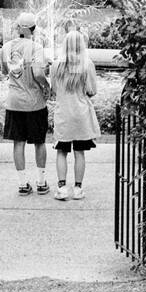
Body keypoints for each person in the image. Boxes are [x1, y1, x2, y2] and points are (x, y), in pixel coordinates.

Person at [0, 11, 50, 195]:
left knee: (18, 143)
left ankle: (22, 184)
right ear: (33, 29)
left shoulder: (6, 47)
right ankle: (42, 182)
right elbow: (38, 73)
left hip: (14, 103)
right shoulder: (36, 47)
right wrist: (46, 85)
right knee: (39, 142)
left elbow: (5, 71)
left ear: (17, 28)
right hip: (34, 103)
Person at [49, 29, 100, 201]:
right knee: (80, 153)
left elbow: (54, 90)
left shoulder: (56, 65)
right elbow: (92, 90)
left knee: (61, 152)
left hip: (63, 114)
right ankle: (78, 189)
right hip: (81, 115)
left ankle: (62, 188)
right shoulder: (87, 65)